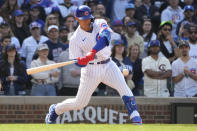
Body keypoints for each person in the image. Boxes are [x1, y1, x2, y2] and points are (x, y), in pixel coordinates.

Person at [45, 5, 142, 125]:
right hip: (90, 70)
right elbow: (78, 63)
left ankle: (135, 117)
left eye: (88, 18)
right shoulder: (75, 39)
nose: (87, 21)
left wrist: (92, 52)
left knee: (124, 88)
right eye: (83, 19)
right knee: (80, 103)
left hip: (108, 65)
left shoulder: (99, 22)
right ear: (77, 19)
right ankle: (56, 110)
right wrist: (82, 61)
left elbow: (105, 38)